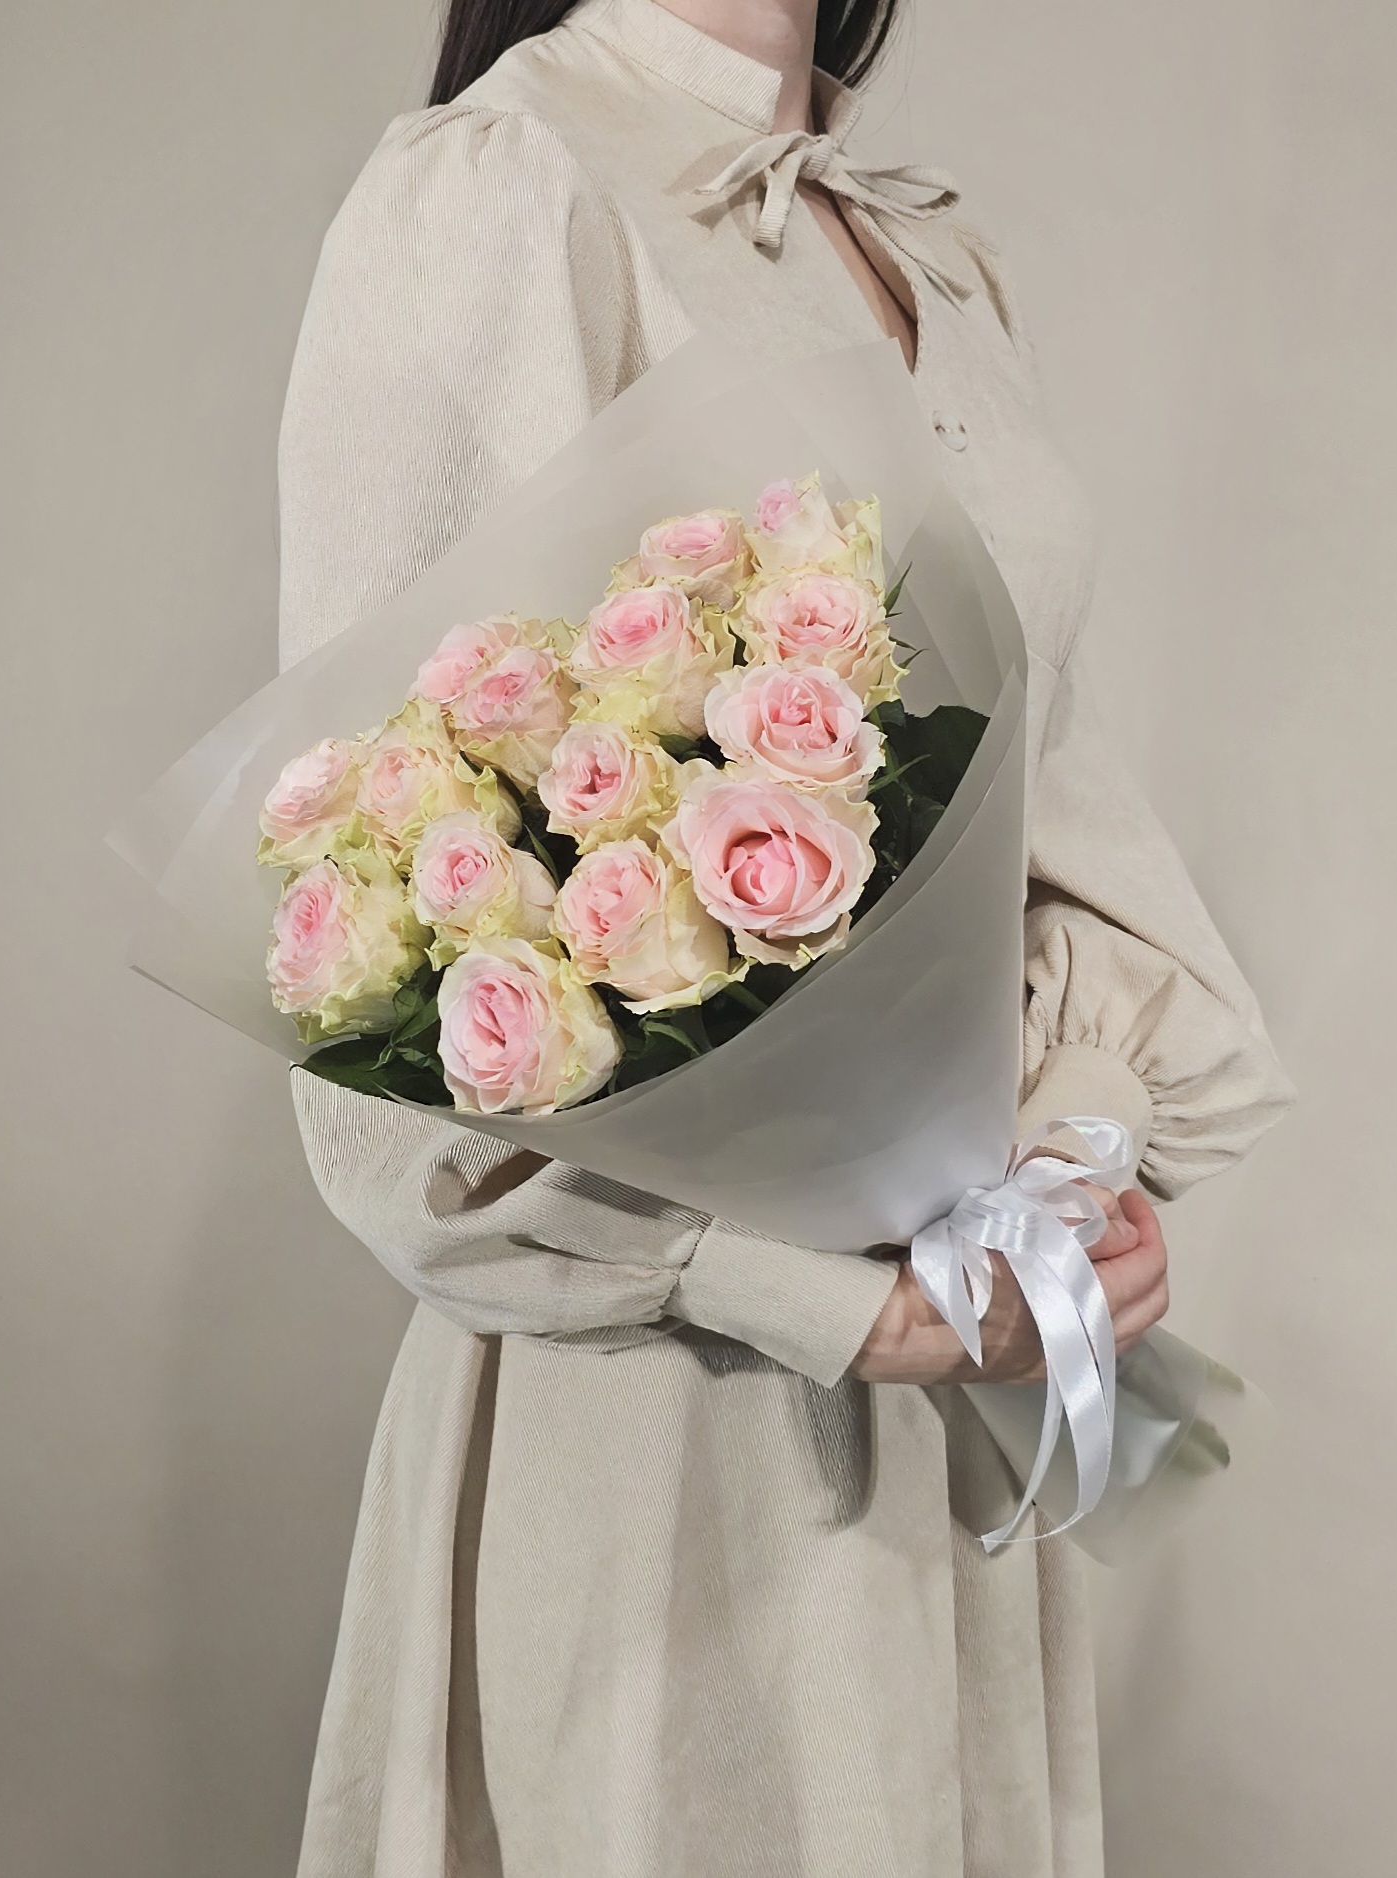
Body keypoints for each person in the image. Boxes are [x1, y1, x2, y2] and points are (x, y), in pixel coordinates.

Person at [277, 2, 1294, 1872]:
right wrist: (815, 1296)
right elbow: (375, 932)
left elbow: (1045, 802)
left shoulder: (918, 246)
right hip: (669, 1421)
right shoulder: (503, 186)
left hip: (961, 1388)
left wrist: (1069, 1150)